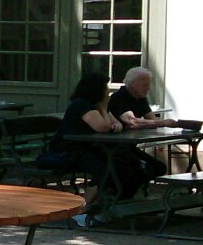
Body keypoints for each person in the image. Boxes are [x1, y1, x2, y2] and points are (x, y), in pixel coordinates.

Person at [50, 70, 149, 218]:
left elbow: (115, 124)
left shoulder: (97, 105)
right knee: (106, 170)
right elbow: (103, 127)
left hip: (93, 147)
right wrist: (104, 110)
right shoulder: (82, 105)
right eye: (106, 87)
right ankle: (81, 209)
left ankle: (114, 204)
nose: (108, 91)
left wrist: (115, 123)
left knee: (128, 165)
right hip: (70, 149)